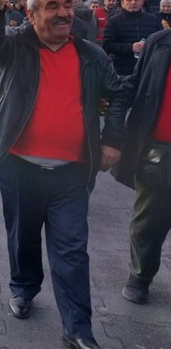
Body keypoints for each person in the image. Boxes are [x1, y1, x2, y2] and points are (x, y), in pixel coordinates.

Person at [0, 0, 124, 349]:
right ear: (31, 12)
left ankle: (78, 330)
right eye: (53, 6)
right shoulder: (16, 45)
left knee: (72, 249)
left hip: (72, 173)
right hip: (19, 167)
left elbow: (118, 94)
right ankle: (24, 288)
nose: (63, 13)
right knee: (22, 238)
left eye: (68, 5)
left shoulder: (91, 55)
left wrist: (113, 140)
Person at [105, 28, 171, 304]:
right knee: (148, 220)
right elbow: (133, 84)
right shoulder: (159, 42)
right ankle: (140, 276)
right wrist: (112, 127)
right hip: (157, 150)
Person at [103, 0, 161, 76]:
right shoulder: (114, 21)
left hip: (148, 69)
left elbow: (161, 43)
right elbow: (107, 45)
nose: (133, 2)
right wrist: (130, 47)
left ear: (142, 2)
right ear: (122, 3)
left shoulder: (153, 20)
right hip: (123, 71)